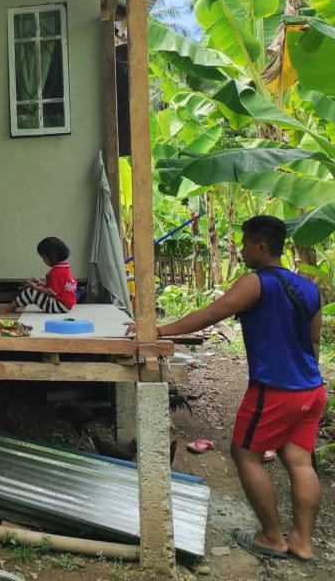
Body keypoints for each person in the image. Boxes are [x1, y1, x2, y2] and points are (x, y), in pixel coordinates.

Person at [133, 216, 324, 562]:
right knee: (299, 460)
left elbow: (214, 312)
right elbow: (313, 341)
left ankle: (271, 538)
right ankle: (302, 542)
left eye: (246, 242)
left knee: (245, 454)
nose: (241, 249)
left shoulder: (257, 282)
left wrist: (159, 331)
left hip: (275, 388)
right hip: (311, 388)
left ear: (261, 246)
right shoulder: (309, 288)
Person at [10, 236, 77, 314]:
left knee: (31, 292)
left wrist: (36, 287)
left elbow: (51, 291)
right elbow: (59, 288)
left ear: (52, 256)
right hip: (66, 305)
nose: (43, 261)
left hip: (59, 305)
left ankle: (9, 307)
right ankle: (12, 306)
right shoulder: (64, 268)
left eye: (44, 258)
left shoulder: (56, 271)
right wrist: (42, 284)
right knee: (34, 291)